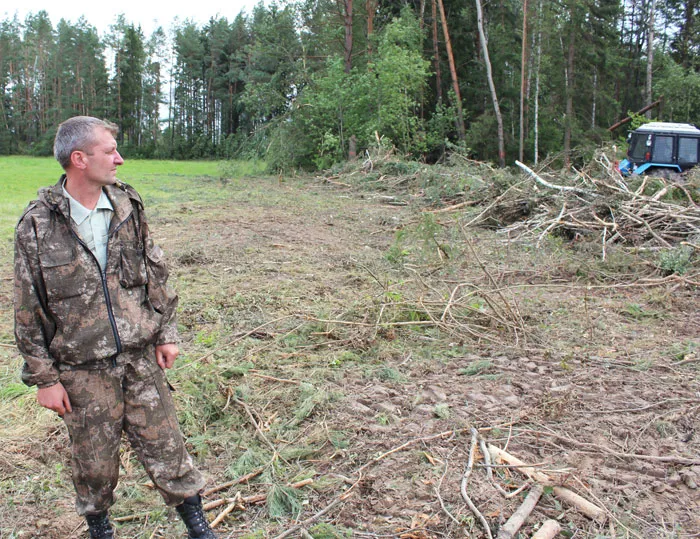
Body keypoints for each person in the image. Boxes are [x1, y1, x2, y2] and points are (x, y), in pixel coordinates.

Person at [14, 116, 218, 539]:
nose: (119, 159)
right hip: (82, 371)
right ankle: (100, 529)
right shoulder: (36, 225)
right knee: (94, 465)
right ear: (79, 159)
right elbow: (27, 309)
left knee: (168, 449)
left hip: (139, 359)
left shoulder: (127, 205)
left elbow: (155, 272)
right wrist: (44, 379)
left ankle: (198, 528)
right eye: (109, 150)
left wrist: (166, 333)